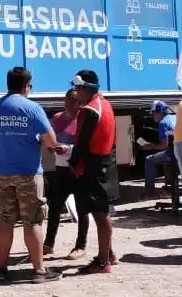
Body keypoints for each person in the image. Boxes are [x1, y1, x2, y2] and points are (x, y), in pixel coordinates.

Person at [0, 67, 63, 283]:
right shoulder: (32, 108)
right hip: (28, 173)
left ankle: (1, 268)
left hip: (1, 173)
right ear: (26, 86)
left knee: (5, 221)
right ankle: (39, 271)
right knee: (32, 221)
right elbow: (51, 141)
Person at [68, 69, 117, 274]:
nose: (75, 92)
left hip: (93, 165)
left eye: (77, 88)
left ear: (85, 88)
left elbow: (82, 142)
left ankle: (103, 262)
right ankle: (109, 254)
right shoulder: (104, 103)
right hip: (105, 161)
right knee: (102, 211)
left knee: (100, 214)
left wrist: (72, 162)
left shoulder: (89, 110)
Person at [43, 88, 89, 260]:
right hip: (60, 168)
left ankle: (80, 246)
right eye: (68, 98)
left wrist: (67, 149)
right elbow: (48, 138)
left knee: (82, 208)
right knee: (55, 207)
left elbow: (86, 145)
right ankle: (48, 244)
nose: (69, 102)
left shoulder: (84, 120)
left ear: (81, 102)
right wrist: (50, 146)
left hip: (78, 169)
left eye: (74, 99)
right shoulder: (56, 118)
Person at [140, 101, 176, 200]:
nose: (152, 116)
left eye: (153, 113)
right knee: (164, 156)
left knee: (149, 160)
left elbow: (164, 146)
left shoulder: (163, 123)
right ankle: (170, 184)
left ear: (160, 111)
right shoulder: (175, 117)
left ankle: (149, 192)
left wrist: (151, 146)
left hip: (174, 153)